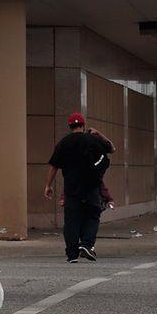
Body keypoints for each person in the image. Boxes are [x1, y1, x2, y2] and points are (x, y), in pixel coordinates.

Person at [45, 112, 109, 263]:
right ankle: (87, 244)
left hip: (72, 188)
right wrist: (99, 134)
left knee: (72, 220)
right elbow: (111, 149)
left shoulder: (63, 143)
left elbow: (54, 166)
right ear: (83, 124)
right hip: (92, 185)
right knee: (93, 215)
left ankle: (72, 254)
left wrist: (48, 185)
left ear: (69, 126)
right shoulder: (92, 140)